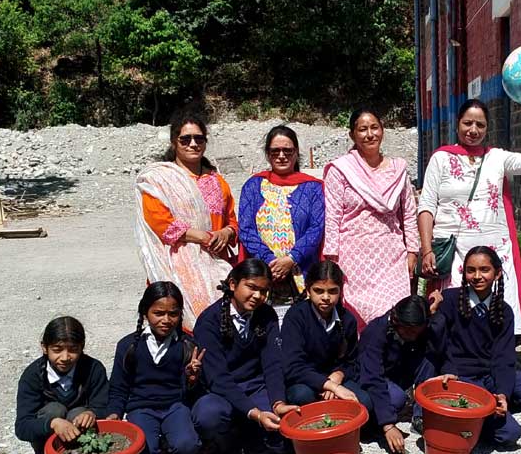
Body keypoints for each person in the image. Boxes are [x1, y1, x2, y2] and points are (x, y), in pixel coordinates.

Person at [418, 99, 521, 335]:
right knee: (456, 316)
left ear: (488, 128)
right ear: (457, 124)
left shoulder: (497, 157)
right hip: (454, 251)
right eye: (468, 123)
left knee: (495, 315)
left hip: (494, 249)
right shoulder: (441, 158)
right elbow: (427, 206)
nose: (473, 130)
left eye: (480, 125)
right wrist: (427, 249)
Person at [417, 246, 521, 447]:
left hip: (488, 376)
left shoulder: (503, 311)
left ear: (497, 273)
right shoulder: (450, 300)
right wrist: (432, 313)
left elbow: (504, 358)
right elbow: (437, 344)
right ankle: (472, 416)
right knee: (510, 434)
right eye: (471, 270)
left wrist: (503, 394)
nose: (477, 276)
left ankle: (478, 414)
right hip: (459, 376)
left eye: (484, 270)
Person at [135, 111, 238, 324]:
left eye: (199, 139)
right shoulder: (159, 179)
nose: (193, 144)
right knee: (175, 323)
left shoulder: (217, 181)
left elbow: (232, 221)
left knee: (219, 321)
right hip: (175, 266)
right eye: (185, 139)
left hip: (216, 263)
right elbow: (160, 223)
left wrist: (226, 232)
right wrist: (202, 237)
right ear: (174, 142)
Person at [191, 259, 292, 454]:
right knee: (209, 414)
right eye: (251, 287)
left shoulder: (266, 314)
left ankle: (251, 433)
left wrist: (278, 403)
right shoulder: (208, 322)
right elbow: (218, 379)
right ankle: (227, 442)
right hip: (221, 392)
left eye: (263, 291)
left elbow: (272, 364)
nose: (258, 296)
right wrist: (255, 413)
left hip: (256, 386)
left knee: (284, 430)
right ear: (232, 284)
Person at [106, 282, 206, 454]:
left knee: (187, 446)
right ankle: (158, 450)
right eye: (158, 313)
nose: (166, 320)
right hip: (141, 407)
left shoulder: (187, 346)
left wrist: (191, 379)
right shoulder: (128, 346)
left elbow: (194, 393)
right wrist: (114, 413)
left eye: (173, 314)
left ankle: (174, 447)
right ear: (145, 313)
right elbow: (119, 387)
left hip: (175, 406)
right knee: (143, 451)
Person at [13, 317, 110, 454]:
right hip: (49, 437)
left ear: (82, 347)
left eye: (73, 350)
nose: (65, 357)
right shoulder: (33, 376)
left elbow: (105, 407)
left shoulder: (93, 369)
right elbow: (22, 427)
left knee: (79, 413)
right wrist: (52, 423)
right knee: (54, 410)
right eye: (57, 350)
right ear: (44, 348)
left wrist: (92, 414)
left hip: (83, 441)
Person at [238, 125, 325, 305]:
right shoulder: (253, 186)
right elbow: (245, 230)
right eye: (275, 151)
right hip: (262, 272)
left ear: (296, 152)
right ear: (267, 154)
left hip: (302, 271)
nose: (281, 155)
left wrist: (292, 259)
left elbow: (317, 228)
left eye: (287, 151)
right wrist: (271, 262)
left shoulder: (313, 188)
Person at [281, 260, 370, 413]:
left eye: (333, 291)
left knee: (364, 402)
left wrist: (339, 375)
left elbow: (352, 361)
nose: (326, 297)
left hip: (336, 378)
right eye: (319, 291)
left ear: (340, 290)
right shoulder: (296, 316)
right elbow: (293, 365)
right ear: (308, 289)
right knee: (301, 396)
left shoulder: (347, 319)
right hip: (305, 380)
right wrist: (328, 385)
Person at [358, 295, 441, 454]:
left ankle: (420, 417)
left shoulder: (417, 327)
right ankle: (373, 426)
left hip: (399, 370)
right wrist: (388, 424)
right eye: (409, 331)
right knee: (397, 398)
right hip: (371, 377)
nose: (413, 336)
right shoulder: (376, 332)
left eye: (417, 332)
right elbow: (373, 378)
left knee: (429, 363)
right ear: (396, 321)